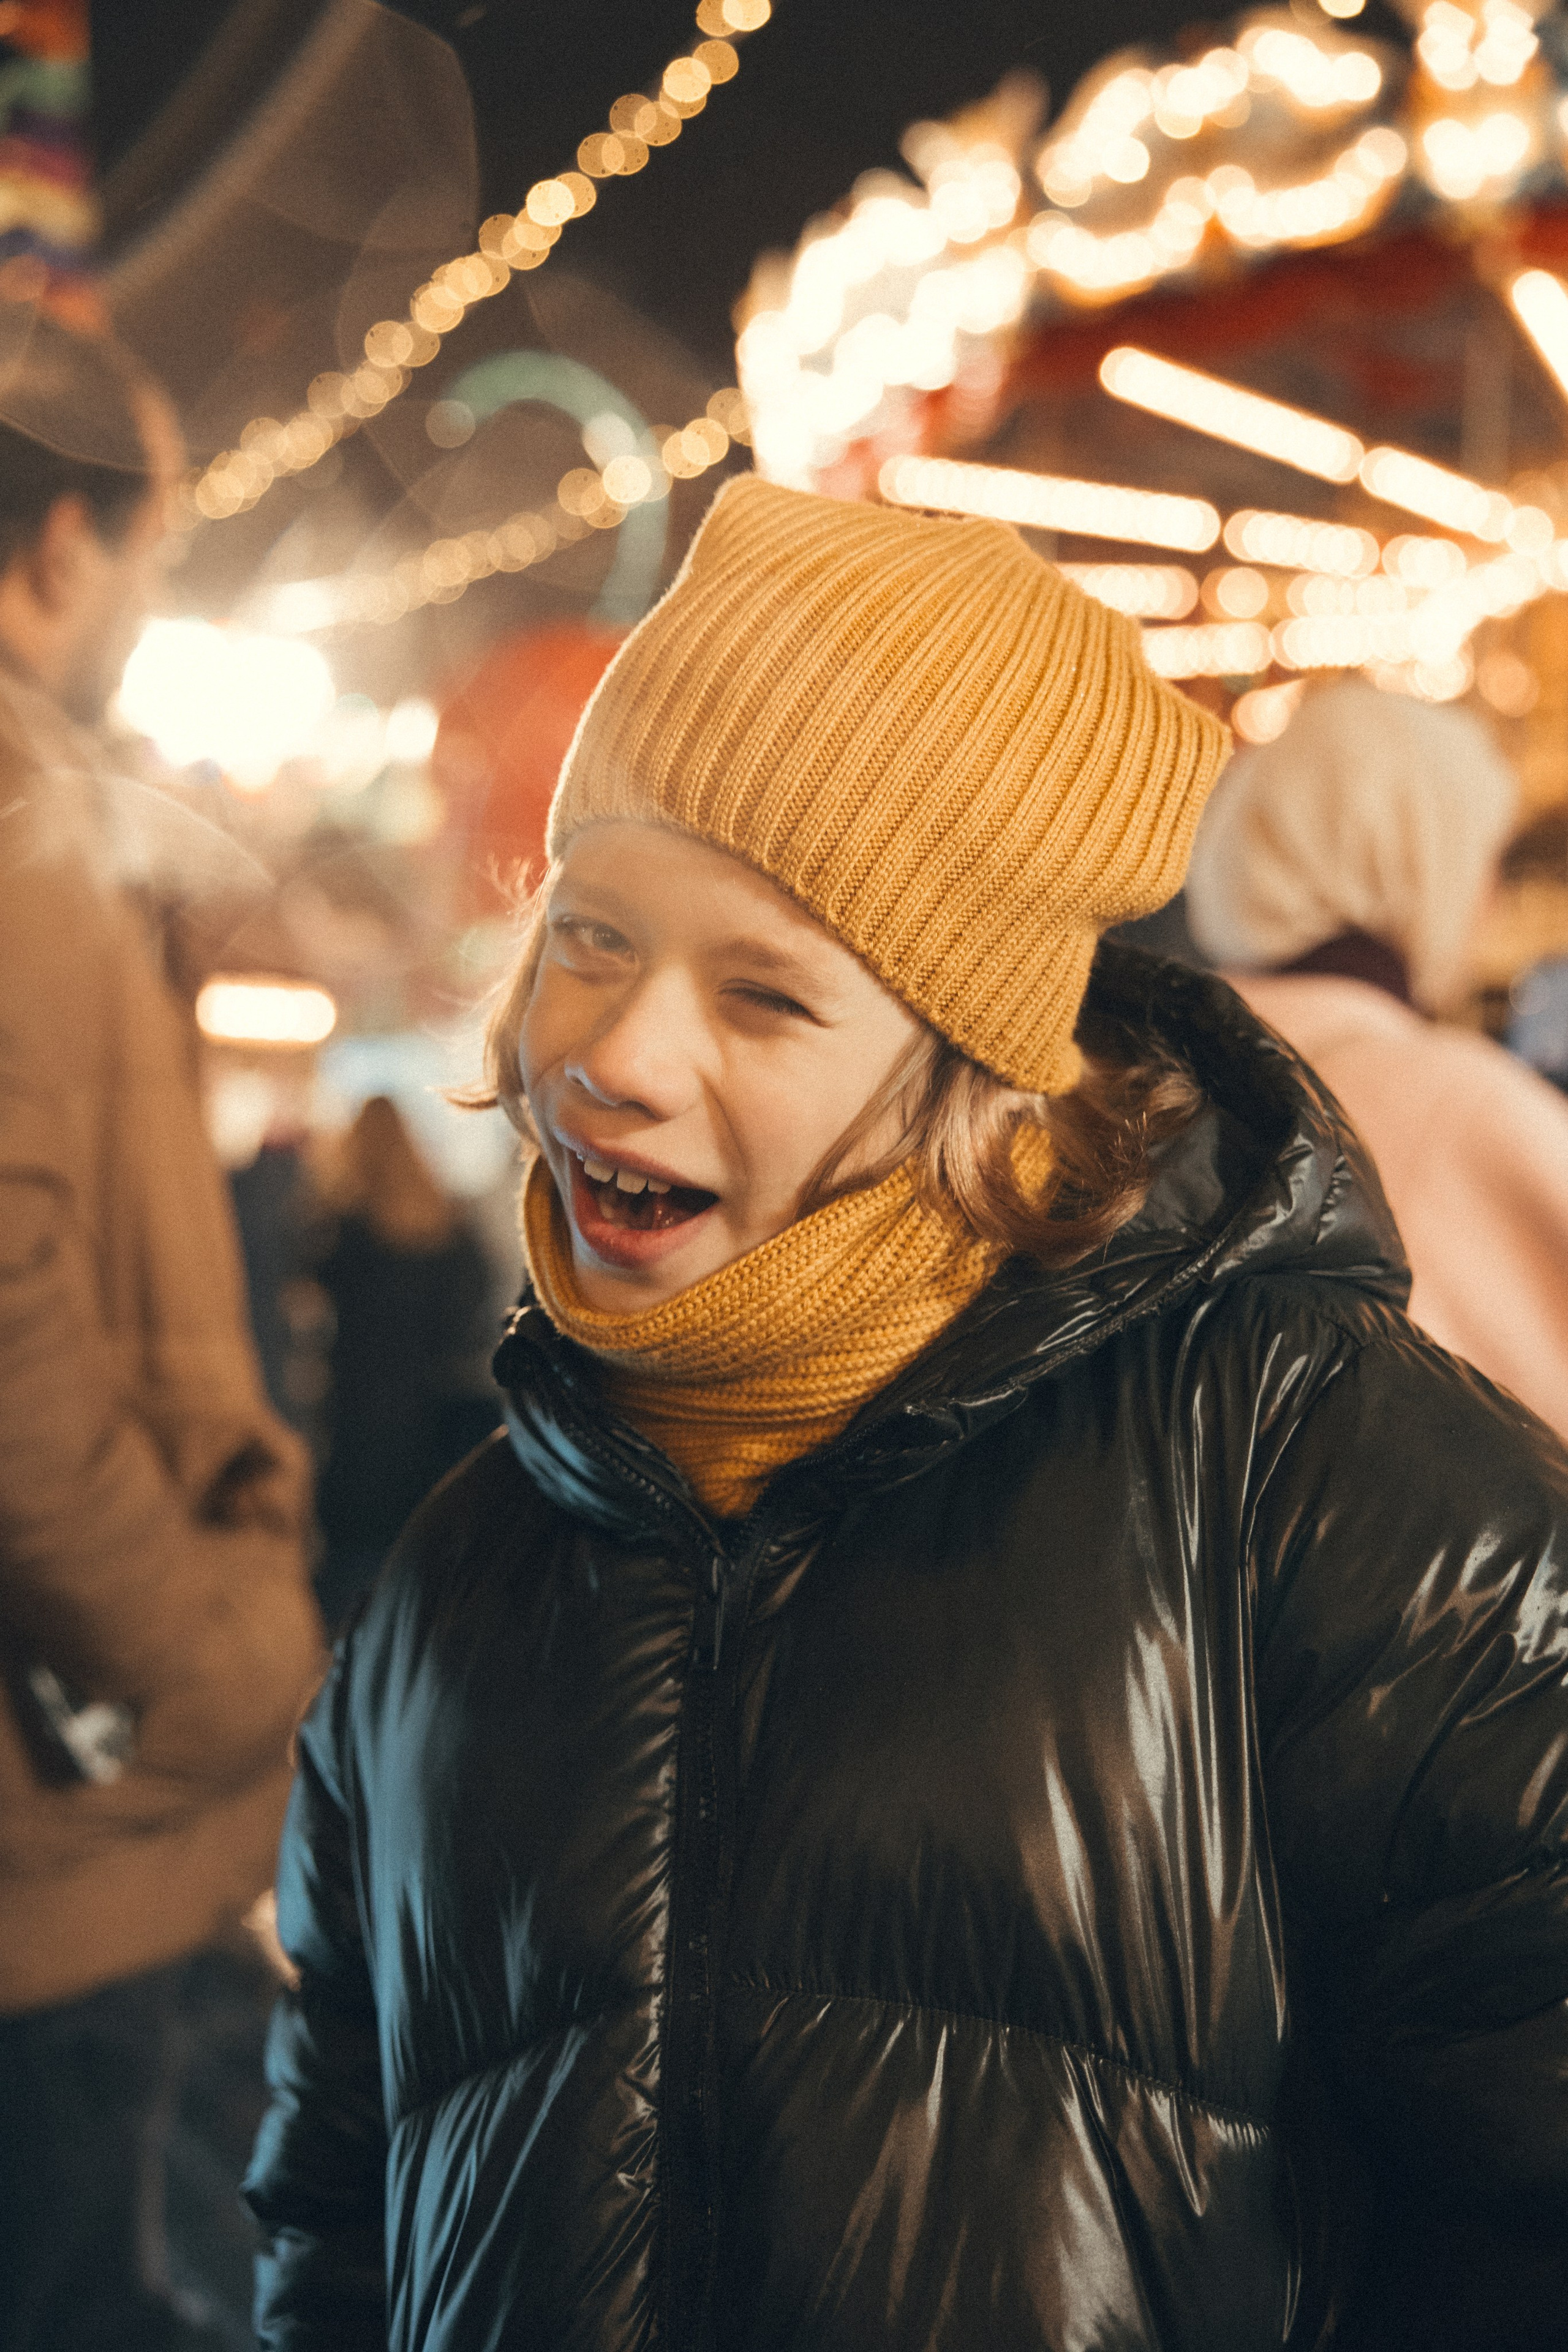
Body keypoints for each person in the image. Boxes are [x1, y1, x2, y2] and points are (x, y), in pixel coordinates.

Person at [246, 479, 1568, 2351]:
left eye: (768, 995)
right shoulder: (463, 1571)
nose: (618, 1055)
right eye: (594, 934)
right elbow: (337, 2204)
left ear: (972, 1077)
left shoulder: (1316, 1481)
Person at [0, 311, 323, 2348]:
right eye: (147, 558)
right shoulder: (22, 821)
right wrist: (201, 1651)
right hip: (57, 1809)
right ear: (59, 548)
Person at [1185, 676, 1568, 1448]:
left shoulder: (1141, 1070)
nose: (1486, 897)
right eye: (1480, 856)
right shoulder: (1457, 1106)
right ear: (1417, 859)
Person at [309, 1095, 497, 1629]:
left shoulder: (345, 1230)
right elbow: (471, 1314)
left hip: (357, 1412)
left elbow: (306, 1300)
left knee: (351, 1567)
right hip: (428, 1416)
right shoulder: (449, 1226)